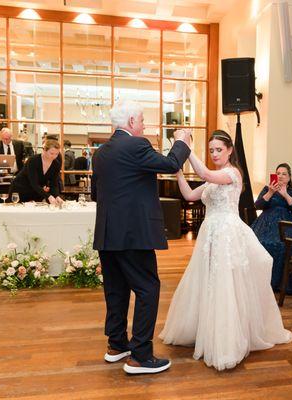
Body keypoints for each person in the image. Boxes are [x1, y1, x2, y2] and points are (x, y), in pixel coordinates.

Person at [159, 130, 292, 371]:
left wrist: (185, 148)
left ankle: (226, 340)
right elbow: (189, 195)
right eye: (211, 150)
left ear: (230, 150)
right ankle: (206, 329)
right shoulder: (214, 179)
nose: (214, 154)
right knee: (208, 281)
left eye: (218, 149)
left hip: (226, 234)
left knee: (225, 284)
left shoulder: (232, 173)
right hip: (209, 233)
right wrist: (179, 173)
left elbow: (205, 172)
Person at [91, 100, 191, 375]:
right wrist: (182, 141)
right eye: (143, 120)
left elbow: (95, 194)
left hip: (108, 233)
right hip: (133, 234)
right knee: (148, 289)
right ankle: (141, 356)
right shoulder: (136, 145)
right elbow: (171, 164)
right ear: (132, 121)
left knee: (116, 289)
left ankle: (116, 345)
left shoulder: (101, 154)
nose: (145, 125)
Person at [251, 163, 292, 295]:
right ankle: (259, 282)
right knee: (259, 243)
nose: (280, 176)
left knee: (283, 245)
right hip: (265, 223)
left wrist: (285, 194)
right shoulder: (267, 189)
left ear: (289, 177)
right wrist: (270, 192)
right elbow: (257, 206)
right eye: (278, 173)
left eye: (284, 174)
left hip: (286, 224)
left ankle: (281, 284)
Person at [9, 139, 63, 206]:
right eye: (51, 153)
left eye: (56, 154)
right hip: (20, 190)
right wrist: (48, 196)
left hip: (36, 192)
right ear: (44, 150)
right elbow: (33, 182)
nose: (54, 156)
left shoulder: (56, 164)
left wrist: (56, 196)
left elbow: (54, 184)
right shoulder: (33, 160)